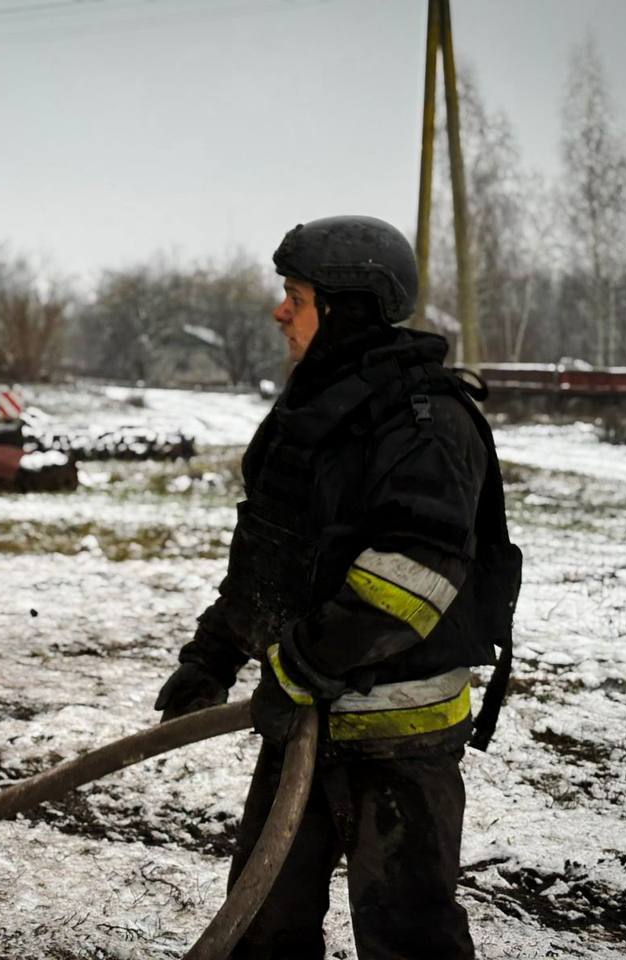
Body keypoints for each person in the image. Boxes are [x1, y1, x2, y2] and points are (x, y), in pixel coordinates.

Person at [154, 215, 520, 959]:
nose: (279, 311)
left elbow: (410, 580)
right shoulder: (307, 415)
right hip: (299, 725)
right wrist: (214, 655)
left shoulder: (428, 424)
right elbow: (268, 559)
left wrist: (301, 667)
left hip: (399, 740)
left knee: (407, 937)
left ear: (346, 307)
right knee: (262, 928)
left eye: (295, 295)